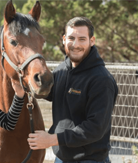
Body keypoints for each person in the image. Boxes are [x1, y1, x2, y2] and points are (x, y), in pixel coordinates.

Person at [27, 17, 118, 163]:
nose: (76, 44)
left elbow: (95, 128)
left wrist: (52, 139)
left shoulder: (101, 80)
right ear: (64, 39)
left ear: (92, 41)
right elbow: (48, 91)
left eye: (82, 39)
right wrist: (25, 85)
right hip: (62, 157)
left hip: (89, 159)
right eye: (71, 38)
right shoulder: (62, 70)